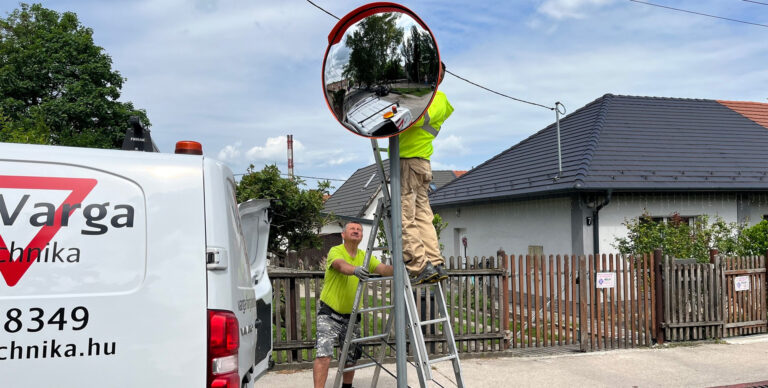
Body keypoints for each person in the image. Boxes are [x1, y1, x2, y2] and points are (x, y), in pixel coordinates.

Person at [313, 221, 393, 388]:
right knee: (324, 355)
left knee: (351, 356)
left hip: (351, 315)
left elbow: (383, 269)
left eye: (359, 230)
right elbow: (339, 265)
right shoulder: (336, 251)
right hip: (330, 314)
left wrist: (402, 267)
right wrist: (355, 270)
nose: (356, 231)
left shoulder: (365, 256)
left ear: (362, 236)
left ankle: (347, 387)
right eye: (352, 229)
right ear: (343, 234)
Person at [399, 61, 454, 285]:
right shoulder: (437, 100)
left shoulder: (435, 99)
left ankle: (420, 265)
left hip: (409, 161)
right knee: (423, 216)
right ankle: (434, 263)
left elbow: (414, 118)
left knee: (405, 216)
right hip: (420, 163)